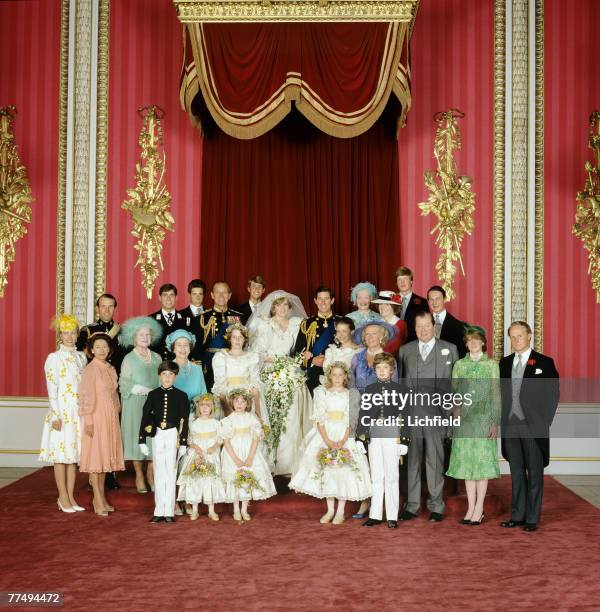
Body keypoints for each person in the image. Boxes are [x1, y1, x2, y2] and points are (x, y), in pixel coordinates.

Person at [289, 362, 371, 524]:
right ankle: (330, 510)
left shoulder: (351, 394)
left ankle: (340, 511)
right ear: (329, 376)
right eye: (334, 375)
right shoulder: (321, 392)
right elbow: (319, 418)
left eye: (341, 375)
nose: (338, 378)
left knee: (342, 471)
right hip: (326, 433)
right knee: (327, 471)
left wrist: (343, 440)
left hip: (344, 434)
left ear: (345, 377)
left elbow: (351, 420)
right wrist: (326, 440)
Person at [398, 311, 458, 522]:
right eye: (418, 327)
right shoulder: (405, 351)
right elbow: (401, 385)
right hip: (413, 413)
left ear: (434, 326)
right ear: (414, 328)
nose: (423, 330)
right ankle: (412, 505)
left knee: (435, 460)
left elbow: (455, 385)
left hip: (437, 414)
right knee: (412, 461)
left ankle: (436, 505)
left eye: (426, 326)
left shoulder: (449, 350)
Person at [499, 321, 559, 532]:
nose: (516, 341)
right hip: (510, 424)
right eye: (512, 337)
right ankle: (517, 515)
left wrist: (544, 423)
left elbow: (553, 395)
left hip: (533, 426)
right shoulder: (504, 364)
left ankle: (532, 518)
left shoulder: (545, 362)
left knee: (534, 472)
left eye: (520, 336)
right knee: (516, 472)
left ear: (530, 336)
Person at [247, 289, 309, 475]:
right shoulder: (263, 324)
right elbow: (256, 353)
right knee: (270, 415)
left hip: (290, 371)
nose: (282, 308)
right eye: (278, 305)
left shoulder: (296, 324)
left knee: (291, 415)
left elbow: (301, 348)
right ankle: (270, 462)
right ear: (272, 307)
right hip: (270, 372)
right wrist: (277, 361)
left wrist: (294, 361)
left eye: (285, 305)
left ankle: (289, 463)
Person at [446, 326, 500, 525]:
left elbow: (496, 394)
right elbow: (454, 391)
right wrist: (456, 409)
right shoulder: (460, 365)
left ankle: (479, 508)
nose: (474, 343)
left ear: (483, 342)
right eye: (470, 340)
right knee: (467, 464)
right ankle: (470, 507)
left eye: (477, 339)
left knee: (481, 464)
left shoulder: (492, 365)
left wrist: (495, 421)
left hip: (484, 419)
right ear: (466, 343)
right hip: (465, 420)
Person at [40, 314, 88, 513]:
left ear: (77, 335)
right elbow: (52, 389)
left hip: (77, 413)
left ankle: (70, 496)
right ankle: (62, 497)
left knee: (72, 456)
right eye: (65, 333)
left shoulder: (81, 357)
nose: (69, 336)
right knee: (61, 456)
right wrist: (56, 415)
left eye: (72, 332)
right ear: (60, 335)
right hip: (62, 413)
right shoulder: (54, 358)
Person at [357, 353, 410, 528]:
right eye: (378, 368)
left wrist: (403, 441)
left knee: (392, 475)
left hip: (392, 433)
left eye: (385, 368)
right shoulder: (370, 389)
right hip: (374, 434)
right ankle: (375, 514)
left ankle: (392, 516)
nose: (381, 371)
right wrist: (360, 437)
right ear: (374, 370)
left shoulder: (401, 390)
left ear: (392, 370)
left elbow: (406, 416)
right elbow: (364, 415)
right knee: (376, 475)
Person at [78, 333, 125, 516]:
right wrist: (88, 420)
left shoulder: (109, 368)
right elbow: (85, 395)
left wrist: (116, 411)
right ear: (91, 349)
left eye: (105, 347)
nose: (102, 350)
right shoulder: (91, 369)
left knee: (104, 458)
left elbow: (114, 394)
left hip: (110, 416)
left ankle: (102, 498)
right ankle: (97, 499)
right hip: (96, 416)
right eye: (97, 347)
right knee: (96, 459)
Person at [139, 361, 190, 524]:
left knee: (170, 473)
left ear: (175, 376)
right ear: (159, 376)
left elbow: (184, 420)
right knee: (159, 473)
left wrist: (183, 443)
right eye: (164, 374)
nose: (167, 378)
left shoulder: (181, 396)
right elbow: (145, 416)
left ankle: (169, 511)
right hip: (158, 435)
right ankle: (158, 510)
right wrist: (142, 439)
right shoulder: (153, 394)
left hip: (173, 434)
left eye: (171, 374)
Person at [119, 316, 162, 493]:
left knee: (153, 438)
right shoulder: (128, 358)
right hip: (135, 403)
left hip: (154, 403)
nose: (145, 337)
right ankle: (138, 474)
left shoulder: (157, 358)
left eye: (148, 334)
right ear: (133, 337)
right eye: (141, 334)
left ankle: (151, 474)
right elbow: (123, 383)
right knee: (137, 436)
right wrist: (137, 388)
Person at [220, 389, 277, 521]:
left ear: (247, 404)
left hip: (249, 451)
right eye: (236, 401)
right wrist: (235, 459)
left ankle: (244, 509)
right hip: (233, 452)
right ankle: (236, 510)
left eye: (243, 401)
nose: (239, 404)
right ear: (232, 403)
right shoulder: (227, 420)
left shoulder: (252, 418)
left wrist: (250, 457)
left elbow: (256, 438)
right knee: (235, 478)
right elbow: (226, 441)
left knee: (247, 476)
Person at [177, 394, 225, 521]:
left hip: (210, 454)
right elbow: (189, 439)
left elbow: (220, 438)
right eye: (202, 405)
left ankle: (211, 510)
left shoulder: (216, 423)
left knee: (210, 479)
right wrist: (195, 447)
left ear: (212, 408)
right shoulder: (194, 423)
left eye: (208, 405)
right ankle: (195, 510)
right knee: (195, 479)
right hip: (197, 453)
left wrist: (214, 446)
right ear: (198, 407)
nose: (204, 408)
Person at [293, 286, 342, 394]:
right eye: (320, 299)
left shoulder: (341, 322)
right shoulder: (307, 324)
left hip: (336, 374)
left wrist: (328, 361)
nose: (323, 302)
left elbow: (348, 347)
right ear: (315, 301)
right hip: (313, 374)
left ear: (332, 300)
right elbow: (297, 352)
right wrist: (312, 360)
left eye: (326, 298)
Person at [195, 281, 243, 390]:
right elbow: (197, 347)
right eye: (218, 292)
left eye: (225, 292)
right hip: (209, 365)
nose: (221, 296)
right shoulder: (202, 318)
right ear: (212, 295)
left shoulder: (238, 318)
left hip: (232, 364)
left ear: (229, 295)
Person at [212, 323, 264, 421]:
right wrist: (227, 408)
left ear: (245, 339)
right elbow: (219, 385)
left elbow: (255, 384)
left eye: (240, 337)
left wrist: (257, 410)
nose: (237, 340)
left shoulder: (251, 357)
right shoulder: (221, 357)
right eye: (234, 337)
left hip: (246, 397)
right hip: (228, 396)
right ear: (229, 339)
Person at [76, 293, 126, 374]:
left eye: (110, 306)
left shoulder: (122, 331)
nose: (107, 310)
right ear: (97, 309)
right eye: (103, 306)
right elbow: (78, 356)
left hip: (117, 377)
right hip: (95, 377)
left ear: (114, 308)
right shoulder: (87, 330)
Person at [166, 329, 207, 414]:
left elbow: (204, 395)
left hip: (195, 416)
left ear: (190, 348)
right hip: (173, 416)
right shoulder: (167, 369)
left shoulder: (197, 369)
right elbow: (162, 396)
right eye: (179, 345)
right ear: (173, 348)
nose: (183, 348)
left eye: (186, 345)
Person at [350, 321, 398, 392]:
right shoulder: (356, 358)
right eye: (367, 334)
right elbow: (351, 385)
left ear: (381, 337)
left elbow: (393, 386)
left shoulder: (389, 359)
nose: (370, 337)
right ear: (364, 338)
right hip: (358, 401)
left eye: (374, 334)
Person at [427, 285, 467, 358]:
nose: (434, 303)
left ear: (445, 299)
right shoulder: (422, 323)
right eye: (431, 300)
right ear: (428, 302)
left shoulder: (458, 326)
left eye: (438, 299)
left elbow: (461, 354)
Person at [148, 283, 185, 360]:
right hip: (158, 364)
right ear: (159, 298)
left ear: (176, 297)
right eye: (165, 295)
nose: (168, 299)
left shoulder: (185, 319)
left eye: (171, 295)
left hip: (180, 364)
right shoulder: (151, 319)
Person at [395, 266, 429, 342]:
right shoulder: (390, 301)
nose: (402, 282)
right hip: (393, 344)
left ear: (411, 281)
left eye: (405, 279)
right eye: (399, 279)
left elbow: (426, 326)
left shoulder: (422, 302)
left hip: (414, 344)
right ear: (396, 283)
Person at [179, 279, 207, 363]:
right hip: (186, 359)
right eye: (194, 294)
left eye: (200, 294)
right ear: (189, 295)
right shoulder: (180, 315)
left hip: (205, 360)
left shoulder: (210, 315)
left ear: (204, 295)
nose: (197, 297)